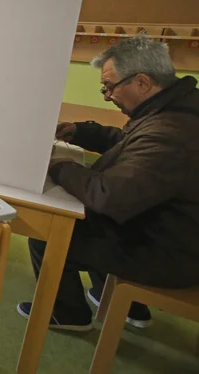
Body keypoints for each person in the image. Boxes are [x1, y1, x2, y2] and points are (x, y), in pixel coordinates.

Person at [16, 35, 199, 331]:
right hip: (173, 232)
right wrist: (82, 132)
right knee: (92, 222)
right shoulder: (178, 110)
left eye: (110, 87)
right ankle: (119, 302)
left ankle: (68, 314)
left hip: (171, 253)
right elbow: (131, 146)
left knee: (49, 233)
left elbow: (109, 196)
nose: (106, 95)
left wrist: (59, 167)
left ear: (142, 82)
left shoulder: (169, 132)